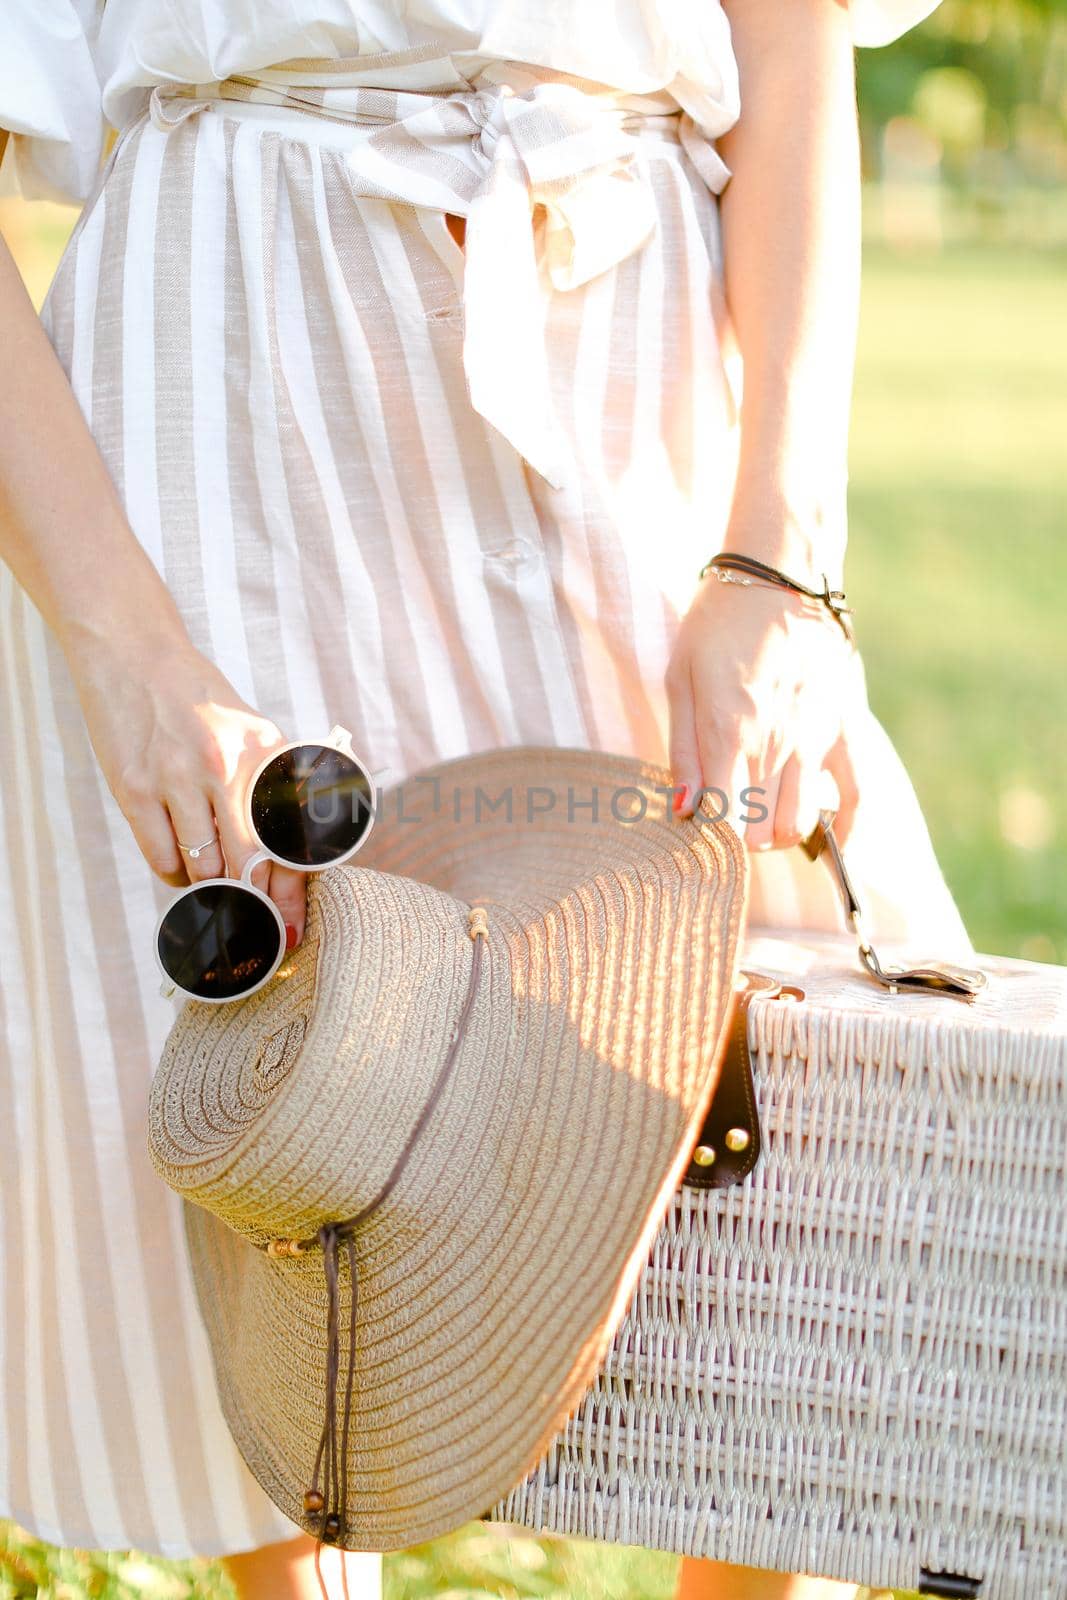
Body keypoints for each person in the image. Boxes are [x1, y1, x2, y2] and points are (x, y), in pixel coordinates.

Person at [0, 2, 970, 1597]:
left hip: (632, 339)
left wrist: (782, 557)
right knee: (293, 1112)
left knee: (754, 1125)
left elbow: (788, 40)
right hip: (225, 376)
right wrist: (125, 645)